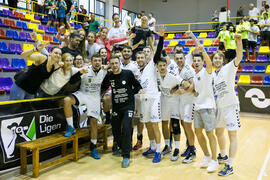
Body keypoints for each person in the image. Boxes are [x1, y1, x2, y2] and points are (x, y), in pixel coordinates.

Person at [101, 55, 143, 168]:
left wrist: (139, 90)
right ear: (110, 64)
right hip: (116, 107)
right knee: (115, 129)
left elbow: (137, 84)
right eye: (112, 63)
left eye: (116, 63)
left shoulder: (128, 73)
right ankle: (121, 146)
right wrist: (100, 95)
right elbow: (103, 87)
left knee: (126, 126)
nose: (114, 65)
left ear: (120, 63)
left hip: (128, 106)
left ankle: (126, 155)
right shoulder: (109, 75)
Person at [63, 54, 105, 160]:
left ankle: (93, 147)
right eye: (95, 60)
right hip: (83, 94)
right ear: (91, 61)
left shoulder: (105, 70)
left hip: (95, 97)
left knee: (93, 122)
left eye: (99, 61)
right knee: (66, 100)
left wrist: (103, 94)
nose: (97, 62)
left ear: (101, 62)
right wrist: (79, 73)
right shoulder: (85, 69)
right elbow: (72, 81)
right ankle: (71, 127)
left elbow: (107, 82)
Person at [212, 34, 243, 176]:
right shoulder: (212, 74)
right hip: (220, 108)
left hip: (231, 106)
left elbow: (239, 57)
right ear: (212, 61)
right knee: (218, 132)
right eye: (215, 58)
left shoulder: (229, 68)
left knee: (232, 135)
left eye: (219, 58)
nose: (217, 60)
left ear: (223, 60)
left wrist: (239, 41)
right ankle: (223, 155)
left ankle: (230, 165)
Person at [137, 27, 164, 163]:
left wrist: (161, 38)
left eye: (148, 52)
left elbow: (158, 52)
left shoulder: (153, 64)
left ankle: (159, 151)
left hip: (154, 99)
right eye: (144, 53)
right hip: (144, 100)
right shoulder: (137, 69)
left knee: (154, 125)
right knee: (147, 124)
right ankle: (153, 146)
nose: (147, 54)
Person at [193, 45, 218, 173]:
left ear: (202, 62)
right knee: (198, 133)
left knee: (210, 134)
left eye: (199, 61)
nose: (196, 62)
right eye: (195, 61)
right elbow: (196, 91)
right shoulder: (195, 74)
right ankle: (207, 155)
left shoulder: (207, 72)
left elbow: (210, 64)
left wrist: (203, 51)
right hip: (197, 107)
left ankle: (215, 160)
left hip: (207, 107)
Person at [172, 51, 196, 163]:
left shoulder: (188, 70)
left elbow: (192, 85)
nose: (179, 60)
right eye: (177, 58)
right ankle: (190, 148)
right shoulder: (176, 70)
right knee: (185, 126)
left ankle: (192, 151)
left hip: (189, 101)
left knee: (187, 126)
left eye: (181, 58)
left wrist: (184, 90)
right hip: (181, 102)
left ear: (184, 59)